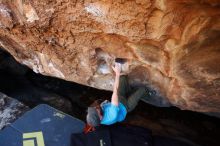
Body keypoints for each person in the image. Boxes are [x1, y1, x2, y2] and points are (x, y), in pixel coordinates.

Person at [86, 61, 155, 127]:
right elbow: (115, 91)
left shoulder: (99, 113)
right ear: (100, 117)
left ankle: (129, 91)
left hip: (120, 99)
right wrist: (117, 73)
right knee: (142, 90)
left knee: (123, 78)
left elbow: (109, 100)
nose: (95, 108)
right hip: (126, 106)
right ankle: (149, 94)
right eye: (95, 111)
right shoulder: (112, 116)